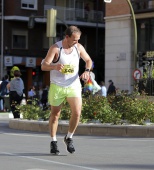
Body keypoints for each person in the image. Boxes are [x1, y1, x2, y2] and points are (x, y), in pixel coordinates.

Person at [41, 25, 92, 155]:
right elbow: (43, 66)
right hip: (57, 85)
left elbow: (88, 60)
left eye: (78, 39)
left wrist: (87, 71)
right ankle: (53, 141)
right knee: (55, 115)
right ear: (67, 37)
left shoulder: (78, 47)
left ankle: (69, 137)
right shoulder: (56, 48)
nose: (77, 42)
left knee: (77, 112)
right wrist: (54, 66)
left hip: (73, 84)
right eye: (74, 39)